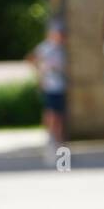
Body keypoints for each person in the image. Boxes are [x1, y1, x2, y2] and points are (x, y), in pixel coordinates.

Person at [28, 22, 68, 150]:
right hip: (50, 85)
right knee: (51, 113)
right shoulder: (45, 47)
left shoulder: (62, 49)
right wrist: (40, 76)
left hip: (60, 85)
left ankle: (59, 140)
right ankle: (50, 137)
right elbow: (31, 59)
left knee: (60, 114)